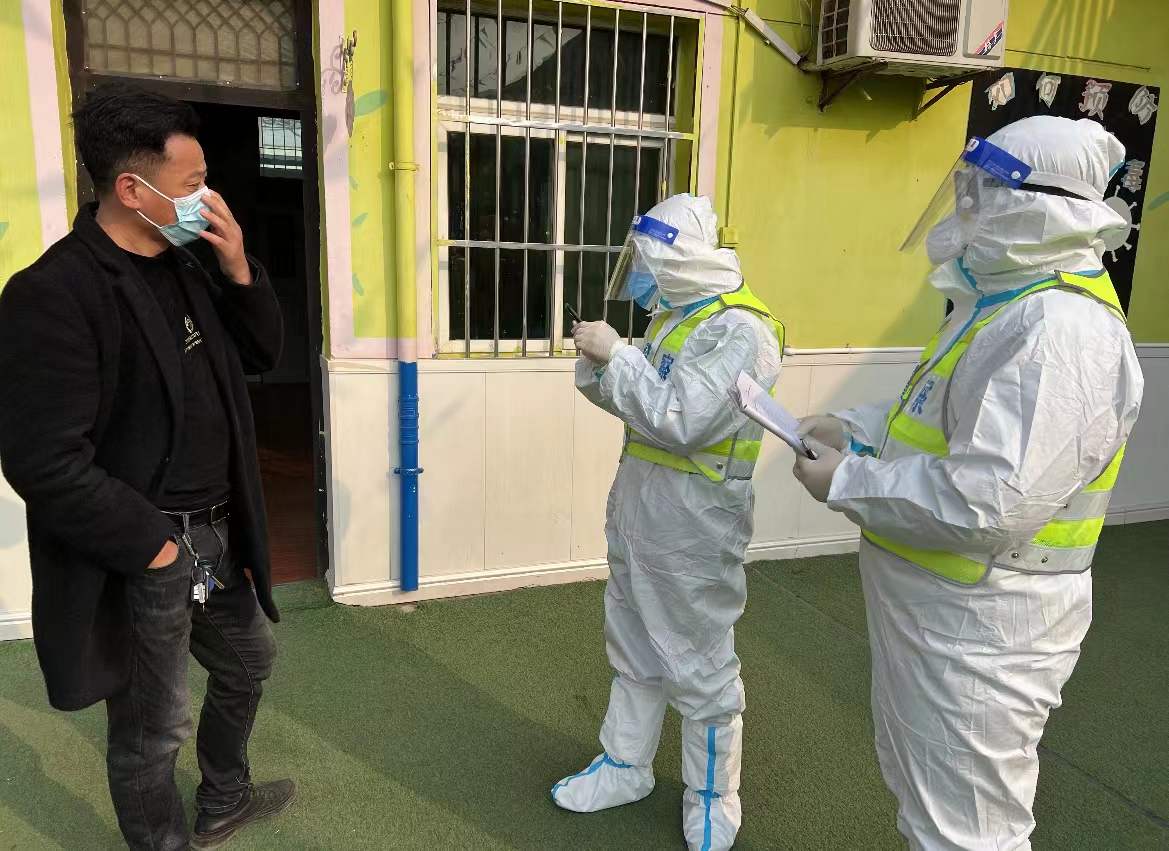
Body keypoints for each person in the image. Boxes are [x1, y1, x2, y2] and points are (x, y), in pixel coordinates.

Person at [792, 116, 1144, 849]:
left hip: (986, 625)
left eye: (981, 191)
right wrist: (852, 429)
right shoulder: (1002, 306)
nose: (965, 208)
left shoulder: (1060, 330)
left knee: (969, 832)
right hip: (947, 615)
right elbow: (935, 417)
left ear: (1034, 204)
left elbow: (991, 502)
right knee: (931, 808)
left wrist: (849, 480)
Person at [0, 82, 294, 850]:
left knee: (248, 663)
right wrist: (156, 548)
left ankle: (224, 795)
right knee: (151, 729)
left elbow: (263, 353)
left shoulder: (189, 264)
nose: (206, 197)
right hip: (142, 554)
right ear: (132, 189)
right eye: (192, 183)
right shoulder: (54, 292)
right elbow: (43, 460)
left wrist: (238, 265)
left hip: (216, 538)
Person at [553, 194, 783, 851]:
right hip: (643, 510)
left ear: (678, 259)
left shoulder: (739, 328)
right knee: (634, 646)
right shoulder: (678, 320)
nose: (640, 273)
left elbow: (683, 420)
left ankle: (712, 795)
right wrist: (599, 362)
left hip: (696, 522)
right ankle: (625, 765)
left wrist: (619, 355)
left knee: (698, 662)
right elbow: (637, 405)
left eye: (648, 260)